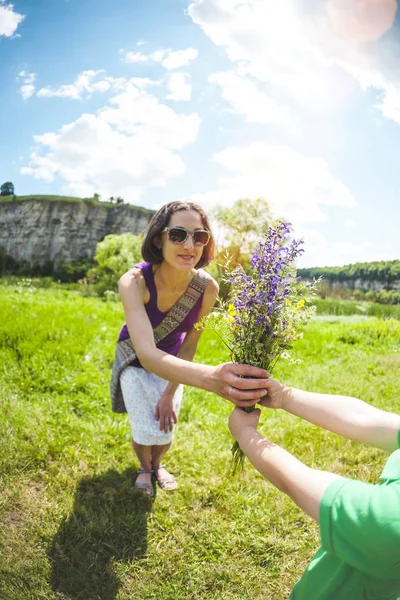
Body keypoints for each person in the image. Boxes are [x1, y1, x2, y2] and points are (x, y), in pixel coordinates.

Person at [115, 200, 269, 497]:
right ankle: (143, 467)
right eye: (177, 235)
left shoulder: (208, 289)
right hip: (135, 361)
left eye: (199, 236)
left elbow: (189, 345)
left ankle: (157, 465)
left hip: (176, 362)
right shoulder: (133, 282)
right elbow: (146, 353)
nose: (189, 245)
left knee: (166, 425)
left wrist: (170, 391)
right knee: (143, 424)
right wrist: (212, 379)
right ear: (159, 238)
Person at [229, 378, 400, 600]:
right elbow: (368, 420)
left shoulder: (391, 518)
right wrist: (284, 396)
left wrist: (245, 434)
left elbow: (297, 481)